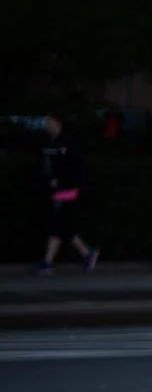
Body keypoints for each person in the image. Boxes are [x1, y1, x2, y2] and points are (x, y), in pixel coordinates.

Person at [35, 116, 99, 274]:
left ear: (58, 123)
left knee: (57, 226)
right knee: (64, 226)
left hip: (66, 191)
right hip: (57, 191)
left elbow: (75, 168)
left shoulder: (68, 144)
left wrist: (61, 181)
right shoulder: (50, 143)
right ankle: (87, 253)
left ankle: (48, 262)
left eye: (49, 123)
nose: (46, 126)